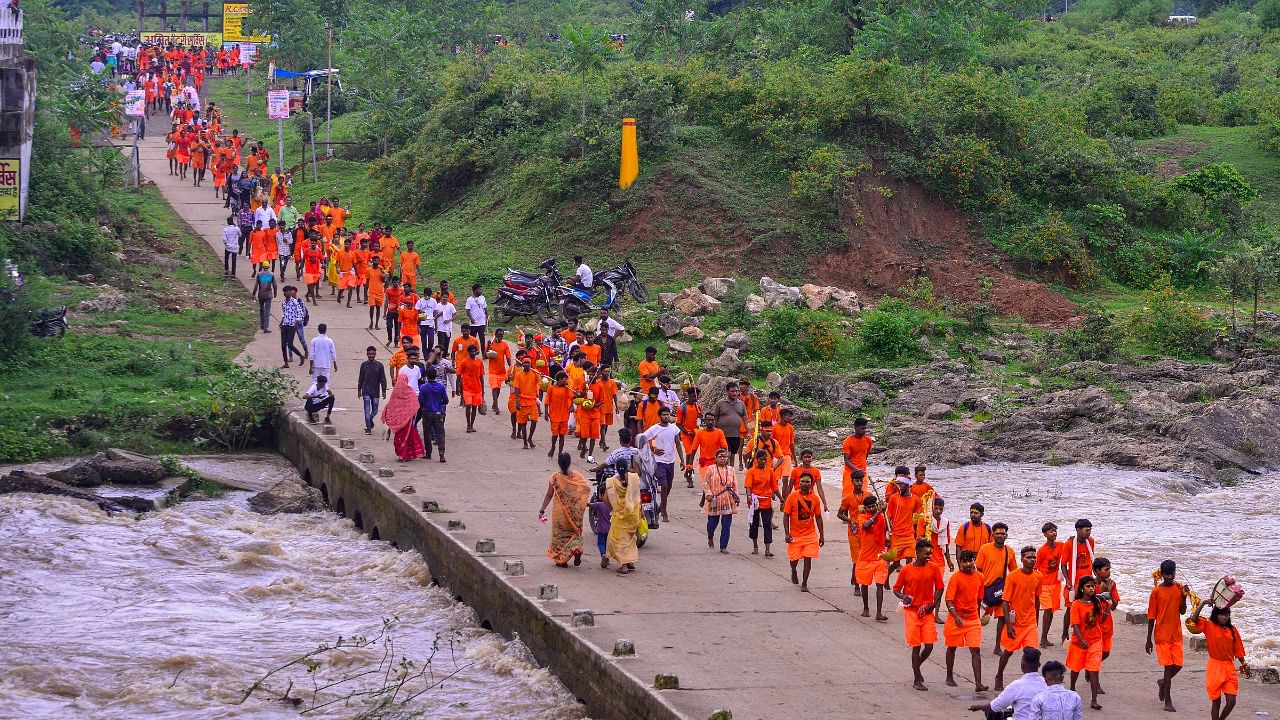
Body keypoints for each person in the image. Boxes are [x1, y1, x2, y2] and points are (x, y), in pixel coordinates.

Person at [893, 538, 945, 691]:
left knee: (929, 646)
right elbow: (896, 589)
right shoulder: (906, 570)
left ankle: (917, 667)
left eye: (930, 553)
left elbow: (940, 588)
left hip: (926, 611)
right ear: (917, 553)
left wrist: (933, 605)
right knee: (916, 647)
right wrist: (904, 597)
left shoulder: (934, 568)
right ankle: (917, 678)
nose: (929, 556)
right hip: (911, 612)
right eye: (926, 553)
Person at [1187, 598, 1246, 720]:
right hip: (1215, 667)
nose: (1224, 617)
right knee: (1216, 702)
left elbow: (1238, 649)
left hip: (1229, 667)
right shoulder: (1209, 625)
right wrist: (1203, 603)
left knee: (1231, 701)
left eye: (1226, 615)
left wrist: (1244, 664)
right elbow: (1193, 619)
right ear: (1216, 615)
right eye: (1221, 614)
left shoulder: (1232, 629)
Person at [997, 546, 1044, 691]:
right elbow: (1005, 601)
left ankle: (1030, 683)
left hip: (1030, 622)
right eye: (1029, 557)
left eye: (1034, 557)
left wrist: (1036, 620)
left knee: (1032, 654)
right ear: (1022, 559)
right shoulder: (1013, 576)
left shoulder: (1038, 576)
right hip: (1015, 622)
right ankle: (999, 675)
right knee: (1008, 652)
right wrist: (1009, 626)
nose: (1032, 560)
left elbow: (1036, 599)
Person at [1147, 559, 1188, 713]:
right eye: (1167, 574)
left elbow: (1182, 611)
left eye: (1172, 574)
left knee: (1178, 665)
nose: (1170, 577)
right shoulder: (1156, 592)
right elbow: (1151, 616)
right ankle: (1168, 700)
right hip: (1162, 635)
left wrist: (1184, 596)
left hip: (1176, 634)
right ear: (1162, 574)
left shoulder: (1179, 588)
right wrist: (1148, 639)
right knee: (1168, 666)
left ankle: (1163, 682)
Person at [539, 452, 591, 568]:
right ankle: (577, 549)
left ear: (558, 464)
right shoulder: (577, 476)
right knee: (575, 533)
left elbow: (549, 495)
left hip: (560, 514)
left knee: (560, 537)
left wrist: (542, 509)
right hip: (574, 513)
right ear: (569, 463)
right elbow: (585, 489)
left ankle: (562, 560)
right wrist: (581, 504)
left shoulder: (554, 478)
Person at [945, 549, 987, 692]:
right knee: (952, 648)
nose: (968, 564)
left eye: (971, 560)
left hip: (973, 619)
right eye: (965, 561)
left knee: (976, 650)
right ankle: (949, 676)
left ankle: (978, 684)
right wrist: (956, 616)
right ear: (960, 563)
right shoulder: (955, 578)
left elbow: (979, 599)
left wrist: (980, 615)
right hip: (955, 618)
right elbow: (949, 600)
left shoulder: (980, 577)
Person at [969, 648, 1048, 720]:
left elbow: (993, 707)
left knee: (994, 713)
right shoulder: (1047, 684)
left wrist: (977, 707)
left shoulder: (1016, 686)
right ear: (1039, 665)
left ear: (1022, 666)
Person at [638, 406, 684, 523]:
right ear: (660, 416)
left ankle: (661, 505)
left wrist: (682, 460)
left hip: (671, 461)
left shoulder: (674, 429)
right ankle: (664, 511)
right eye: (663, 414)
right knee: (663, 485)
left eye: (667, 414)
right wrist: (653, 449)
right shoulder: (655, 429)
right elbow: (642, 439)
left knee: (669, 486)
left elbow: (678, 444)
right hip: (659, 462)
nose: (666, 416)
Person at [977, 522, 1017, 657]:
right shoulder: (984, 549)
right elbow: (978, 569)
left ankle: (997, 646)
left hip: (1001, 590)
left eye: (1003, 533)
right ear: (992, 535)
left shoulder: (1010, 551)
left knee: (1002, 618)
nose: (1000, 535)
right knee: (978, 618)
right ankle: (973, 640)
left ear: (1006, 535)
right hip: (984, 590)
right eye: (998, 533)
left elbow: (1014, 572)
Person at [1066, 575, 1104, 710]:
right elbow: (1075, 624)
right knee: (1075, 669)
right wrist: (1082, 640)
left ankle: (1094, 700)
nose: (1091, 588)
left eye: (1093, 586)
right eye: (1088, 586)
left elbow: (1099, 621)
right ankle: (1071, 688)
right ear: (1082, 589)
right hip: (1079, 642)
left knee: (1094, 670)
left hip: (1095, 641)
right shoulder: (1076, 604)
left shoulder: (1096, 602)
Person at [782, 473, 824, 592]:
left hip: (810, 534)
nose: (805, 484)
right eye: (803, 482)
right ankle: (794, 570)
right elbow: (786, 516)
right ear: (799, 483)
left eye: (808, 482)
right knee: (794, 559)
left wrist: (822, 535)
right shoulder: (792, 497)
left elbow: (818, 517)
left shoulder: (815, 498)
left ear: (811, 484)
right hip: (795, 534)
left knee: (808, 557)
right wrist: (787, 533)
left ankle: (804, 583)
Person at [1060, 518, 1096, 642]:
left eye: (1090, 530)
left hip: (1088, 580)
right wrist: (1068, 580)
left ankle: (1085, 632)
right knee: (1070, 608)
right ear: (1078, 530)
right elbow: (1063, 564)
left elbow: (1093, 560)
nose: (1089, 533)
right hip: (1075, 581)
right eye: (1086, 530)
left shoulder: (1090, 541)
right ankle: (1065, 633)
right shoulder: (1069, 544)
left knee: (1088, 607)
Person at [854, 494, 889, 620]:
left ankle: (879, 613)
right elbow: (866, 526)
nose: (872, 509)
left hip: (879, 557)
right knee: (864, 584)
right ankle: (866, 608)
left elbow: (885, 530)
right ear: (866, 508)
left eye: (873, 506)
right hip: (865, 557)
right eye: (869, 507)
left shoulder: (881, 517)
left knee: (880, 584)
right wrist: (878, 513)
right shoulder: (862, 517)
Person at [605, 458, 641, 575]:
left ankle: (624, 564)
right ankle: (630, 561)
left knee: (617, 540)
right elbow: (637, 495)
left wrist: (613, 508)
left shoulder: (611, 482)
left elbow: (605, 499)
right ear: (627, 467)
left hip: (620, 515)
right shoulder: (634, 478)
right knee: (630, 539)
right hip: (633, 514)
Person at [701, 448, 739, 553]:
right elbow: (705, 483)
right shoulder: (711, 469)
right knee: (712, 523)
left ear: (727, 458)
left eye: (724, 456)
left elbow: (735, 485)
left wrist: (736, 497)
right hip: (714, 499)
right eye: (720, 456)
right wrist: (708, 493)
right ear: (716, 458)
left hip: (728, 499)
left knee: (726, 524)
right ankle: (710, 536)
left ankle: (723, 546)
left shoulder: (731, 469)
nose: (722, 458)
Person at [743, 449, 780, 557]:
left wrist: (781, 498)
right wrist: (749, 496)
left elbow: (775, 487)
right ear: (756, 460)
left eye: (765, 459)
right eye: (761, 459)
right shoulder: (751, 471)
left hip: (767, 501)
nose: (763, 461)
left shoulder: (770, 471)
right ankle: (755, 546)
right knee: (754, 524)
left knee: (767, 524)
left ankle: (767, 549)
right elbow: (748, 486)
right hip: (755, 501)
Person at [383, 375, 424, 462]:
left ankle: (403, 455)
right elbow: (415, 404)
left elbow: (390, 406)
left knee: (400, 438)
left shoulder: (395, 392)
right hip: (407, 420)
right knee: (407, 437)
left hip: (398, 421)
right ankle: (405, 455)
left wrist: (389, 417)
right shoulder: (410, 392)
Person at [1037, 522, 1063, 648]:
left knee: (1051, 611)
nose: (1054, 533)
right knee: (1047, 610)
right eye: (1051, 531)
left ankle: (1045, 637)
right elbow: (1035, 568)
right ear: (1045, 534)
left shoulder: (1060, 546)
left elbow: (1071, 546)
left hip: (1056, 584)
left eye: (1055, 531)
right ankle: (1042, 638)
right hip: (1044, 584)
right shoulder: (1042, 550)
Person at [418, 365, 449, 462]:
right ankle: (441, 453)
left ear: (427, 376)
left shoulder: (423, 387)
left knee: (427, 433)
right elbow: (446, 400)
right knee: (440, 433)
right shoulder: (440, 386)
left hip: (427, 411)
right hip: (438, 412)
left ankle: (428, 453)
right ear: (436, 375)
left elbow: (421, 400)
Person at [712, 381, 747, 466]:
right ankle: (723, 470)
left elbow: (745, 417)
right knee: (726, 453)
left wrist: (748, 431)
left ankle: (730, 471)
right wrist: (713, 430)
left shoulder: (741, 404)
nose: (735, 393)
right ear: (727, 391)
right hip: (723, 434)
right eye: (732, 391)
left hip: (736, 434)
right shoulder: (720, 403)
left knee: (733, 453)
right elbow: (715, 417)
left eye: (736, 391)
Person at [356, 346, 388, 435]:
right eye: (369, 354)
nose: (371, 355)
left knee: (375, 410)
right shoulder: (364, 365)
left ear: (375, 354)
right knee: (367, 409)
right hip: (365, 390)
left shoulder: (379, 365)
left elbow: (383, 379)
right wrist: (359, 390)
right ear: (367, 354)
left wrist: (384, 390)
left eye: (373, 354)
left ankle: (369, 420)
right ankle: (368, 428)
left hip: (375, 391)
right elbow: (361, 378)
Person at [511, 356, 541, 449]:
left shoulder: (535, 373)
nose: (527, 364)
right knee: (523, 423)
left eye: (528, 363)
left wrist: (542, 375)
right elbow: (516, 388)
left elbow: (541, 382)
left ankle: (530, 438)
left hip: (532, 401)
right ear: (522, 364)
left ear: (530, 364)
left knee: (534, 421)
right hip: (522, 402)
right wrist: (517, 401)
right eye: (525, 363)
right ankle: (525, 442)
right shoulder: (519, 375)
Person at [955, 502, 993, 570]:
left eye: (976, 513)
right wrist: (960, 566)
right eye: (971, 512)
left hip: (983, 562)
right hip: (967, 561)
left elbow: (991, 548)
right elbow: (958, 548)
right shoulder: (964, 527)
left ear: (982, 514)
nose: (973, 515)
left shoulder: (988, 528)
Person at [545, 372, 574, 459]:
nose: (566, 381)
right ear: (560, 379)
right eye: (565, 379)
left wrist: (572, 405)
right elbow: (547, 402)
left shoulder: (567, 389)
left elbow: (572, 397)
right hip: (554, 415)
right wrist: (546, 413)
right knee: (554, 434)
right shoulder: (551, 389)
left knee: (562, 435)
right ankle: (553, 447)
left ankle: (560, 452)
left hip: (564, 415)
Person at [458, 344, 485, 433]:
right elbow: (459, 375)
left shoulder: (480, 362)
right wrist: (458, 388)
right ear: (468, 352)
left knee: (474, 408)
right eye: (471, 351)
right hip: (467, 388)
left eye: (474, 351)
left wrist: (483, 390)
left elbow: (481, 377)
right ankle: (468, 425)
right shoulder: (464, 362)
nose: (473, 353)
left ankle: (471, 425)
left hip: (477, 389)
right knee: (468, 406)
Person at [279, 286, 306, 368]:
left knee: (290, 344)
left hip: (292, 326)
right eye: (284, 292)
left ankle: (301, 356)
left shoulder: (294, 302)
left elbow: (300, 313)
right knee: (283, 345)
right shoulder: (283, 302)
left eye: (287, 292)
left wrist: (296, 323)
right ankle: (286, 363)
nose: (285, 293)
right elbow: (285, 313)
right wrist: (281, 322)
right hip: (285, 325)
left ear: (290, 292)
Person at [487, 328, 513, 414]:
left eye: (502, 335)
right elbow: (485, 355)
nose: (500, 337)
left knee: (498, 389)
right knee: (494, 387)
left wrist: (511, 369)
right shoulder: (491, 344)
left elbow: (508, 357)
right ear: (495, 335)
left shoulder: (505, 344)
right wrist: (488, 346)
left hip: (501, 371)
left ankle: (494, 402)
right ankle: (496, 406)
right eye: (499, 335)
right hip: (492, 370)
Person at [251, 261, 276, 333]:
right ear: (268, 267)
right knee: (267, 311)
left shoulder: (259, 274)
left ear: (262, 266)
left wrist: (253, 293)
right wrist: (275, 293)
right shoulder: (271, 274)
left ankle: (262, 324)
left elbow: (256, 285)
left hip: (261, 294)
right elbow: (275, 285)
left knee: (262, 310)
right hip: (268, 294)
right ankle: (266, 327)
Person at [466, 283, 488, 352]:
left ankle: (483, 353)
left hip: (482, 322)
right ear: (475, 290)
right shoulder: (469, 300)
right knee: (472, 339)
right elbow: (467, 310)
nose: (481, 291)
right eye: (479, 289)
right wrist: (471, 319)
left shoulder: (482, 298)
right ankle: (472, 352)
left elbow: (485, 308)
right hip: (474, 323)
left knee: (482, 338)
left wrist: (486, 317)